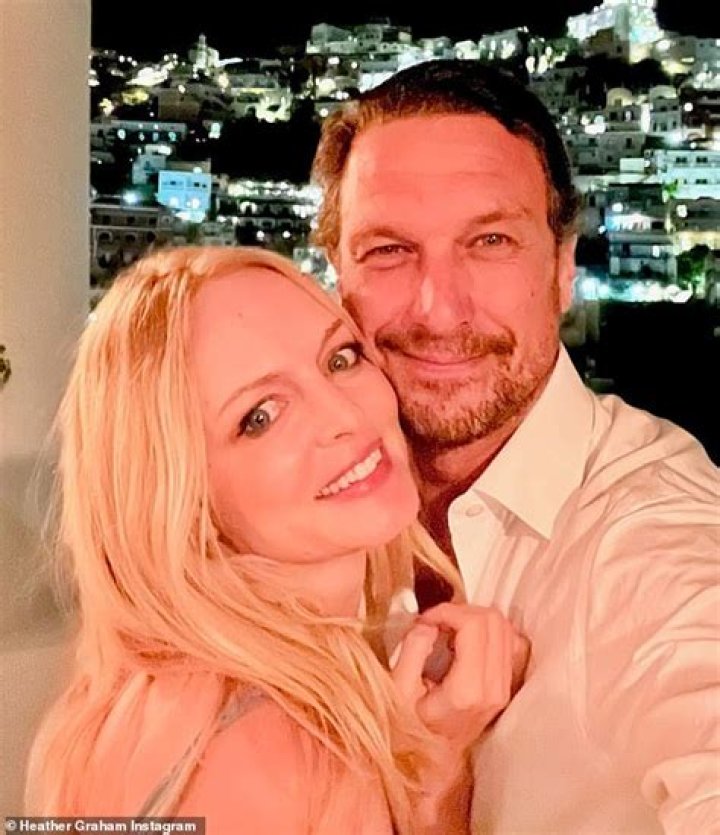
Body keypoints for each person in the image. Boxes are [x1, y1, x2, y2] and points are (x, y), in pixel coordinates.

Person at [311, 60, 719, 833]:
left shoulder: (653, 531)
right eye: (389, 250)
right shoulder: (290, 505)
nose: (438, 311)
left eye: (490, 241)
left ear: (563, 270)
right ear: (338, 277)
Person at [25, 246, 525, 835]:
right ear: (180, 497)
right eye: (260, 416)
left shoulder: (132, 700)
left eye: (340, 359)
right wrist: (440, 782)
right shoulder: (278, 750)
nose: (344, 415)